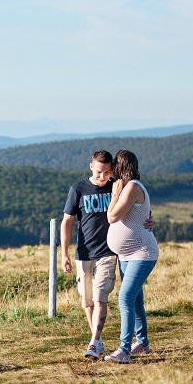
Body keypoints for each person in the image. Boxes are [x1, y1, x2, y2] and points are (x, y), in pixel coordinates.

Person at [61, 151, 154, 359]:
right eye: (100, 171)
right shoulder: (79, 189)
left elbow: (130, 208)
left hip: (111, 253)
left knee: (109, 296)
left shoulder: (118, 185)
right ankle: (106, 340)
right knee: (89, 299)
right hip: (88, 252)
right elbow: (66, 221)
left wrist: (150, 217)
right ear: (91, 167)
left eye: (108, 171)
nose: (104, 176)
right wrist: (64, 253)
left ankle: (104, 344)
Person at [103, 149, 159, 364]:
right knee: (135, 300)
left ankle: (124, 349)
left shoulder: (132, 187)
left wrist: (116, 194)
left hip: (142, 253)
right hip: (127, 253)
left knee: (125, 298)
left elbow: (112, 216)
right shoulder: (129, 187)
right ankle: (142, 343)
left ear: (121, 166)